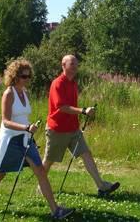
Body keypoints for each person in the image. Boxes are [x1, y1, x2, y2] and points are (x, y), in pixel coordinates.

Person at [0, 59, 74, 220]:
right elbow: (5, 121)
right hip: (10, 140)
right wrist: (25, 127)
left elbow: (23, 116)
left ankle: (55, 210)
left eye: (29, 76)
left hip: (26, 139)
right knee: (0, 174)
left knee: (41, 172)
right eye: (24, 76)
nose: (27, 79)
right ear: (15, 76)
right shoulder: (9, 93)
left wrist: (29, 128)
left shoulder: (24, 93)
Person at [41, 54, 120, 197]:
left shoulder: (73, 83)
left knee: (86, 154)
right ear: (63, 65)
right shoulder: (57, 83)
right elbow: (62, 107)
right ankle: (41, 186)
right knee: (49, 161)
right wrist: (83, 111)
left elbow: (70, 106)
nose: (75, 67)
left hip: (73, 129)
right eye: (72, 64)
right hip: (57, 129)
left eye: (76, 64)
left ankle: (101, 186)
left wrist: (82, 112)